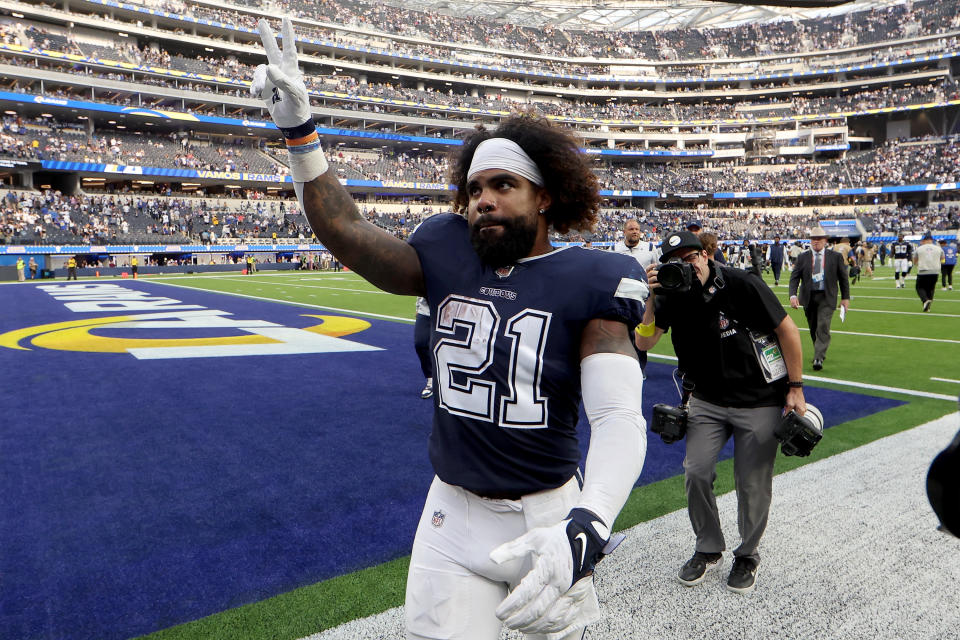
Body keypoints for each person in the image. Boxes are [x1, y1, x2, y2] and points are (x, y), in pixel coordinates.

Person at [253, 19, 650, 639]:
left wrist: (589, 520)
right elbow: (349, 233)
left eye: (502, 185)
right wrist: (302, 136)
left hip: (545, 511)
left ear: (545, 198)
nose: (482, 199)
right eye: (474, 188)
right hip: (452, 508)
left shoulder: (593, 278)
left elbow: (618, 417)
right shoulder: (445, 248)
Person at [635, 230, 805, 594]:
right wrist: (651, 297)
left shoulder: (742, 284)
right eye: (675, 261)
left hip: (758, 398)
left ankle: (747, 554)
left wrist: (795, 387)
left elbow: (787, 330)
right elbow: (644, 340)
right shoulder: (669, 293)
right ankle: (708, 547)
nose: (686, 265)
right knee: (695, 472)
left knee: (752, 482)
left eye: (691, 257)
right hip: (706, 399)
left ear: (706, 255)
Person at [789, 227, 850, 371]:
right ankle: (819, 349)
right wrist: (793, 295)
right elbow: (794, 278)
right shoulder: (803, 257)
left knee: (823, 325)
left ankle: (818, 357)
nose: (816, 242)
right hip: (808, 296)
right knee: (813, 327)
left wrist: (845, 297)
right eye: (813, 239)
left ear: (825, 240)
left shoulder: (835, 257)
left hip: (827, 297)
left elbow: (843, 279)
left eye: (819, 239)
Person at [914, 232, 944, 312]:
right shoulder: (938, 248)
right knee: (931, 288)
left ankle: (925, 300)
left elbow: (915, 260)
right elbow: (942, 259)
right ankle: (928, 306)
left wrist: (916, 264)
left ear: (925, 240)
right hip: (935, 271)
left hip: (923, 270)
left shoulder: (919, 248)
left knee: (919, 287)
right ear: (931, 240)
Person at [413, 296, 433, 399]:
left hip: (448, 310)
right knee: (420, 343)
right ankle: (431, 379)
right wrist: (417, 307)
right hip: (425, 310)